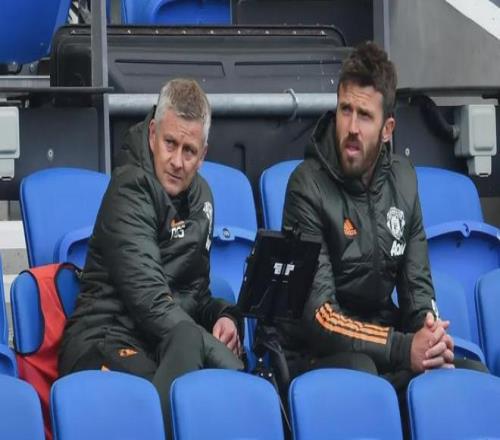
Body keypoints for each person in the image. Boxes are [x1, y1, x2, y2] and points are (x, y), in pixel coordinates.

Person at [277, 41, 486, 423]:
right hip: (313, 354)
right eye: (345, 110)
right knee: (364, 375)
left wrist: (429, 338)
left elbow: (417, 289)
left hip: (383, 344)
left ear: (388, 128)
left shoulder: (403, 182)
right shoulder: (305, 186)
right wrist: (404, 348)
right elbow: (319, 316)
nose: (352, 128)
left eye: (365, 116)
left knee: (471, 376)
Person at [59, 78, 244, 432]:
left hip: (160, 346)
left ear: (203, 155)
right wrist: (232, 367)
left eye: (189, 151)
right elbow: (152, 304)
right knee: (201, 381)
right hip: (103, 341)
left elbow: (195, 294)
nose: (177, 161)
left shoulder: (202, 198)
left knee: (208, 388)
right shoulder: (128, 189)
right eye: (170, 143)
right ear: (153, 134)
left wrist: (224, 317)